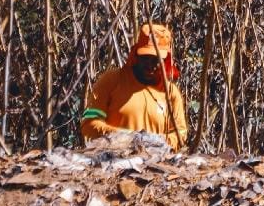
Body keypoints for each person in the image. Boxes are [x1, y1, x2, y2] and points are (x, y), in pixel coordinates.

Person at [80, 22, 189, 151]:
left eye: (156, 59)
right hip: (113, 160)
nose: (150, 64)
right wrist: (126, 138)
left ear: (165, 60)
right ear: (136, 54)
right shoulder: (112, 80)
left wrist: (153, 142)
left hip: (156, 164)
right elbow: (89, 123)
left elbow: (180, 134)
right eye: (146, 57)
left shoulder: (170, 92)